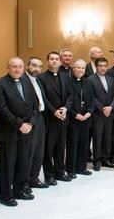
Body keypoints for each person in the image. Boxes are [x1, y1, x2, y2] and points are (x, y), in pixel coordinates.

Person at [0, 57, 39, 207]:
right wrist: (20, 124)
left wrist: (30, 122)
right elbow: (1, 109)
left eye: (20, 66)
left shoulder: (26, 82)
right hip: (9, 132)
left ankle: (20, 190)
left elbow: (34, 105)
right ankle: (6, 195)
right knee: (8, 165)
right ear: (8, 67)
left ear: (24, 68)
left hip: (26, 130)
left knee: (23, 162)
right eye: (14, 66)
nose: (17, 69)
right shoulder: (0, 84)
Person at [39, 52, 73, 183]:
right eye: (51, 59)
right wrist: (54, 111)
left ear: (60, 62)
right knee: (48, 149)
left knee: (60, 147)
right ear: (47, 62)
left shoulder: (65, 77)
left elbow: (71, 95)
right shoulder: (41, 78)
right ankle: (49, 175)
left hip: (63, 117)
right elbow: (42, 98)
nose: (54, 61)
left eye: (56, 59)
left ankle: (60, 172)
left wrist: (65, 108)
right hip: (49, 119)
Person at [88, 57, 114, 170]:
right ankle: (97, 161)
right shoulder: (90, 80)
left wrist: (110, 107)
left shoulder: (111, 79)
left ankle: (106, 159)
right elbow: (92, 97)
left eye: (105, 65)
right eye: (100, 65)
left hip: (109, 114)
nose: (103, 68)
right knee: (97, 138)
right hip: (98, 115)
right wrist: (102, 109)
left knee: (107, 137)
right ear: (96, 66)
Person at [25, 57, 51, 188]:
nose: (37, 69)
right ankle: (24, 181)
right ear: (27, 66)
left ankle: (34, 178)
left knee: (39, 151)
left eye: (39, 66)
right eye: (34, 65)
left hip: (41, 118)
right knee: (29, 152)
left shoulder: (38, 80)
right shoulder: (23, 81)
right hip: (30, 120)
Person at [67, 60, 94, 177]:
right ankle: (71, 169)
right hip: (74, 119)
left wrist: (89, 113)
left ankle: (81, 167)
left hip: (86, 118)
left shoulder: (87, 82)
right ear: (73, 69)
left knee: (84, 144)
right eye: (78, 68)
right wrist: (74, 114)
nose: (80, 70)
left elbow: (92, 99)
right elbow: (67, 100)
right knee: (73, 145)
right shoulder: (68, 82)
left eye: (82, 68)